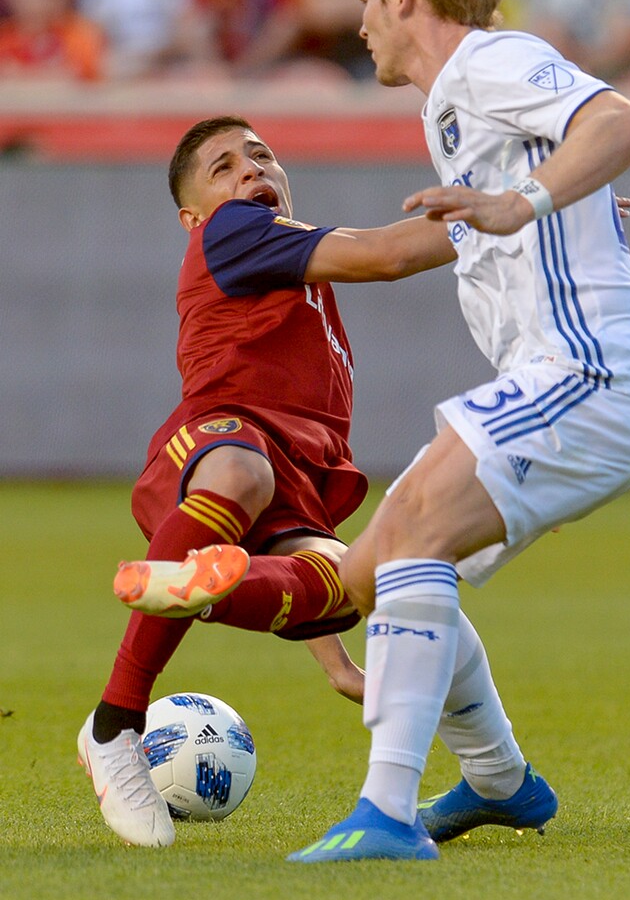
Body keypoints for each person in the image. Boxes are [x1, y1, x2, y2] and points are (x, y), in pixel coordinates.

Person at [280, 0, 630, 862]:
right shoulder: (459, 100)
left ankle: (383, 814)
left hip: (587, 372)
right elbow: (549, 168)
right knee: (384, 571)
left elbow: (622, 120)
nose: (359, 21)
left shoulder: (489, 61)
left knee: (407, 532)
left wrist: (528, 200)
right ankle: (501, 780)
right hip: (580, 378)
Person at [77, 113, 457, 848]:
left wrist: (335, 654)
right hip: (213, 445)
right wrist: (531, 213)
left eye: (261, 154)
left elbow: (369, 256)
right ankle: (115, 722)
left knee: (351, 580)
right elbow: (386, 255)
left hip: (286, 474)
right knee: (241, 470)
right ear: (193, 216)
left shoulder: (294, 256)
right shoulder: (230, 235)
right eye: (222, 167)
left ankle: (212, 584)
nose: (250, 169)